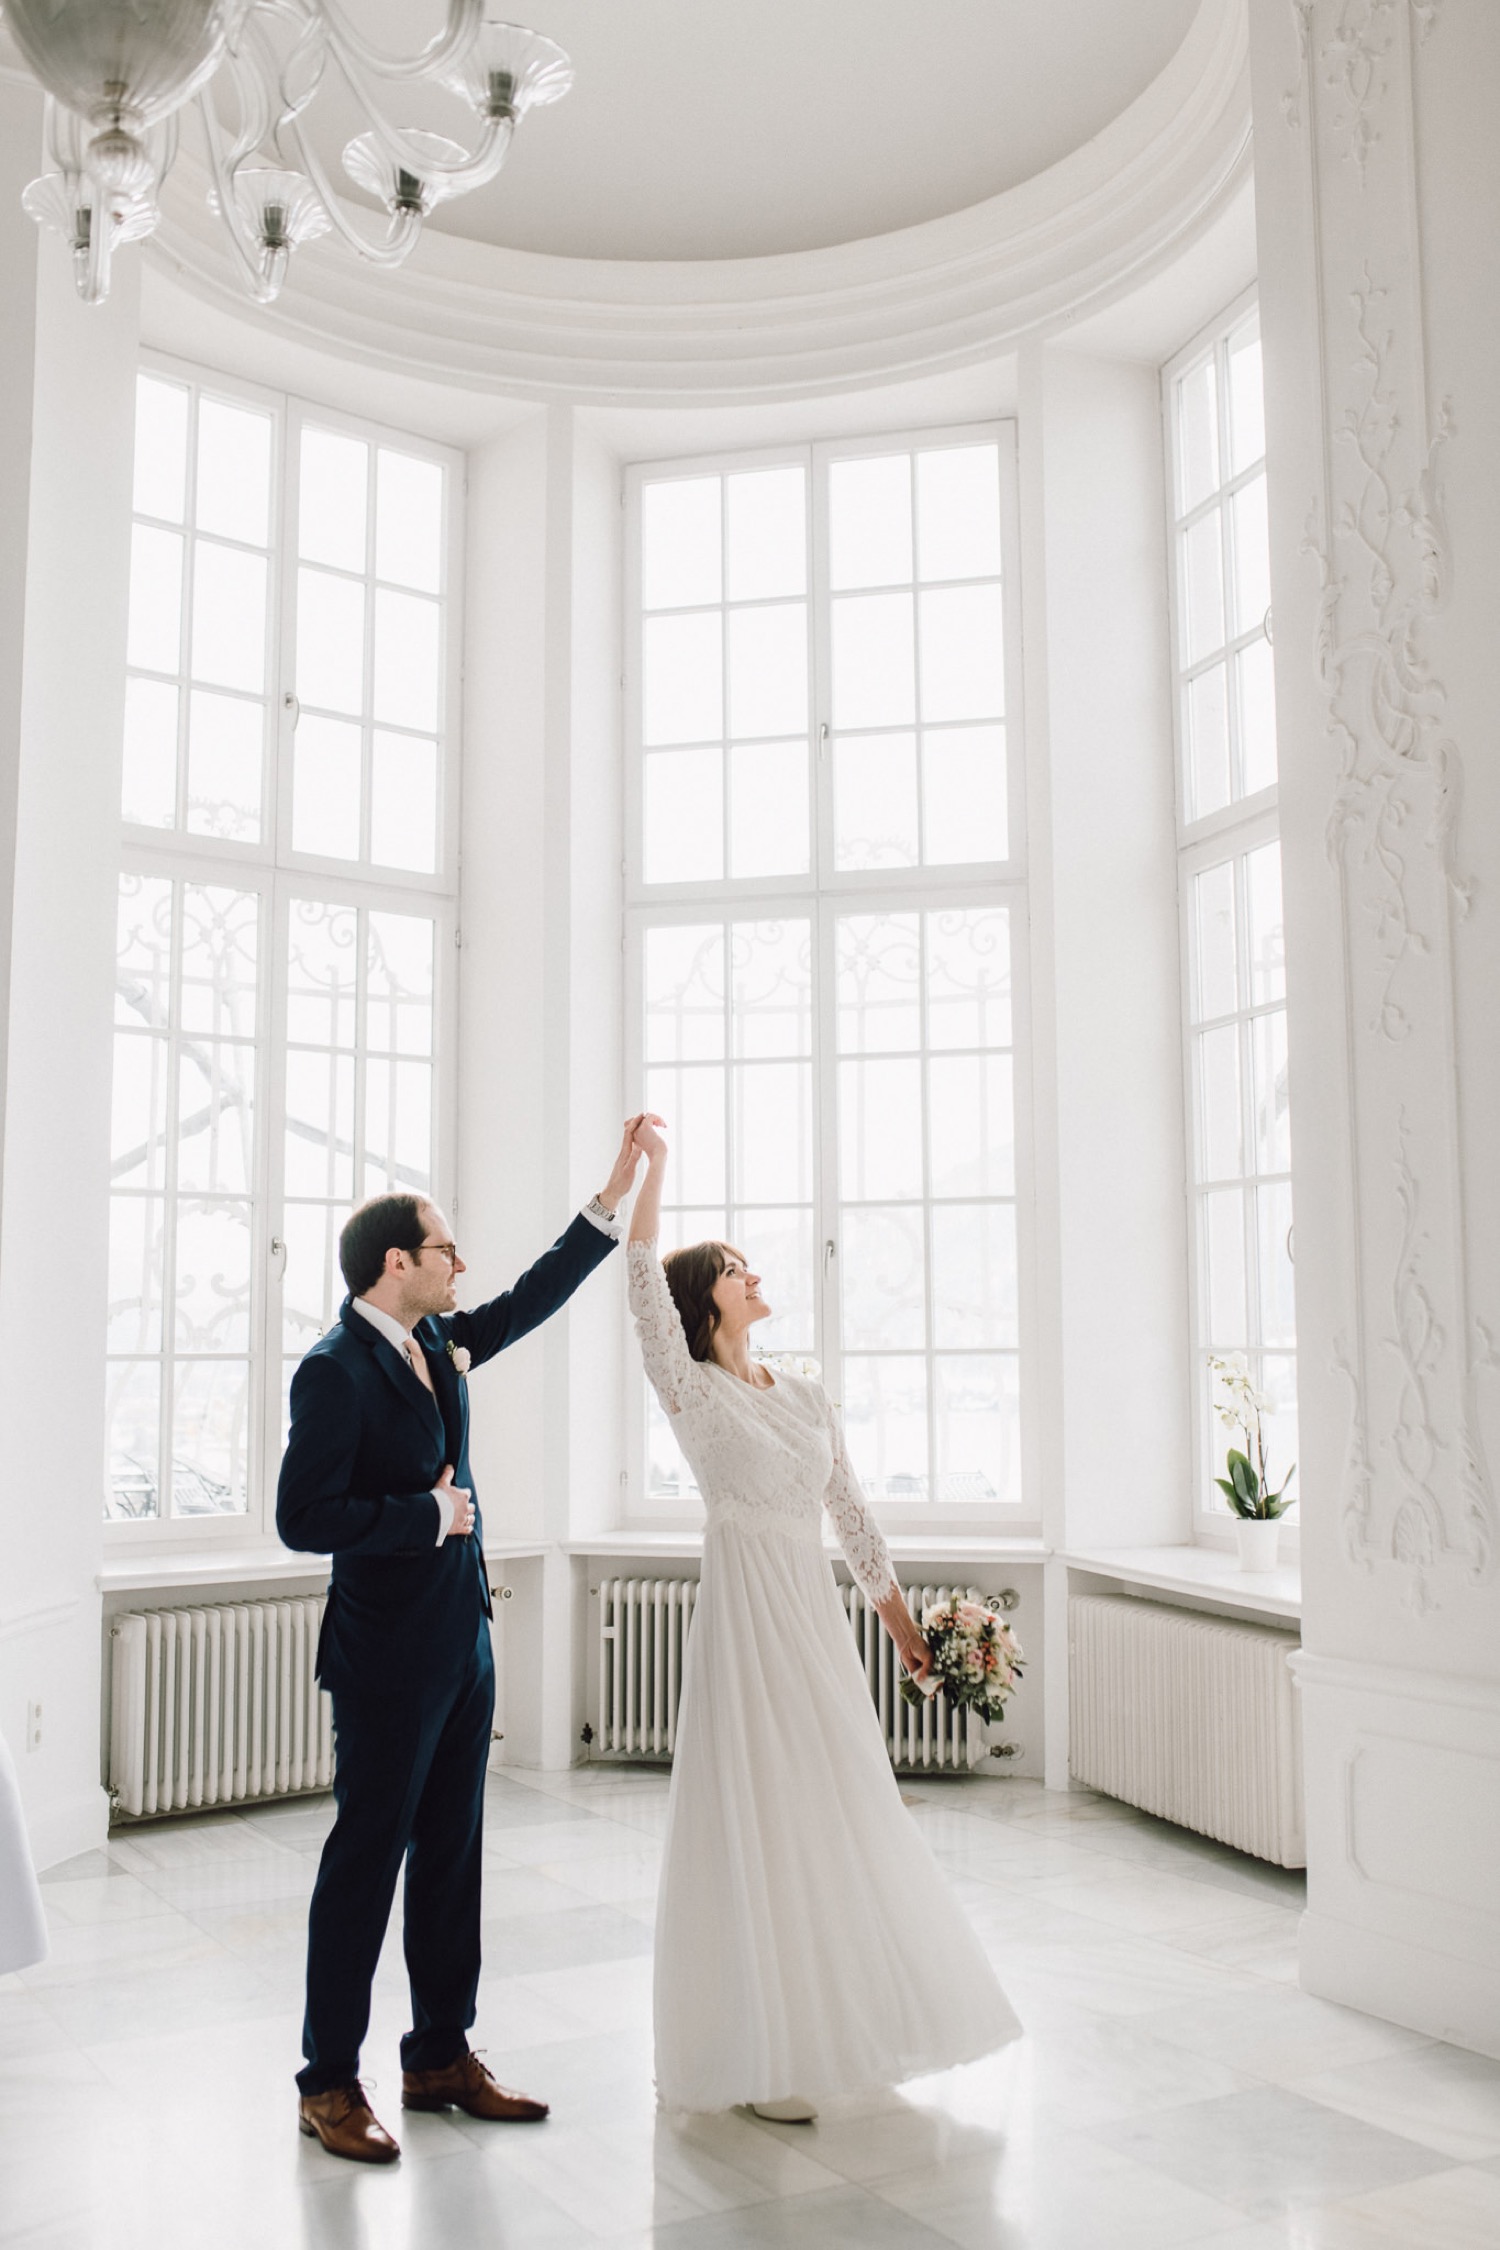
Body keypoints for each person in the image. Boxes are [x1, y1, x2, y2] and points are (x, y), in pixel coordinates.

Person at [626, 1115, 1021, 2120]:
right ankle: (760, 2051)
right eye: (734, 1268)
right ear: (701, 1297)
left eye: (752, 1265)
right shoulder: (692, 1390)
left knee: (837, 1801)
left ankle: (850, 2020)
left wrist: (912, 1646)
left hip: (808, 1615)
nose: (754, 1276)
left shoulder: (802, 1394)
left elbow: (853, 1520)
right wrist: (651, 1171)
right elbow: (637, 1275)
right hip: (742, 1617)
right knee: (755, 1811)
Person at [277, 1124, 646, 2163]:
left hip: (461, 1644)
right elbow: (303, 1519)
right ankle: (327, 2083)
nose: (460, 1263)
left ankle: (440, 2055)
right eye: (445, 1249)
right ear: (397, 1263)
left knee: (453, 1859)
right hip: (384, 1658)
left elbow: (525, 1302)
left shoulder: (437, 1343)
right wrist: (424, 1516)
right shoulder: (335, 1372)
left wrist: (607, 1200)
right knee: (365, 1866)